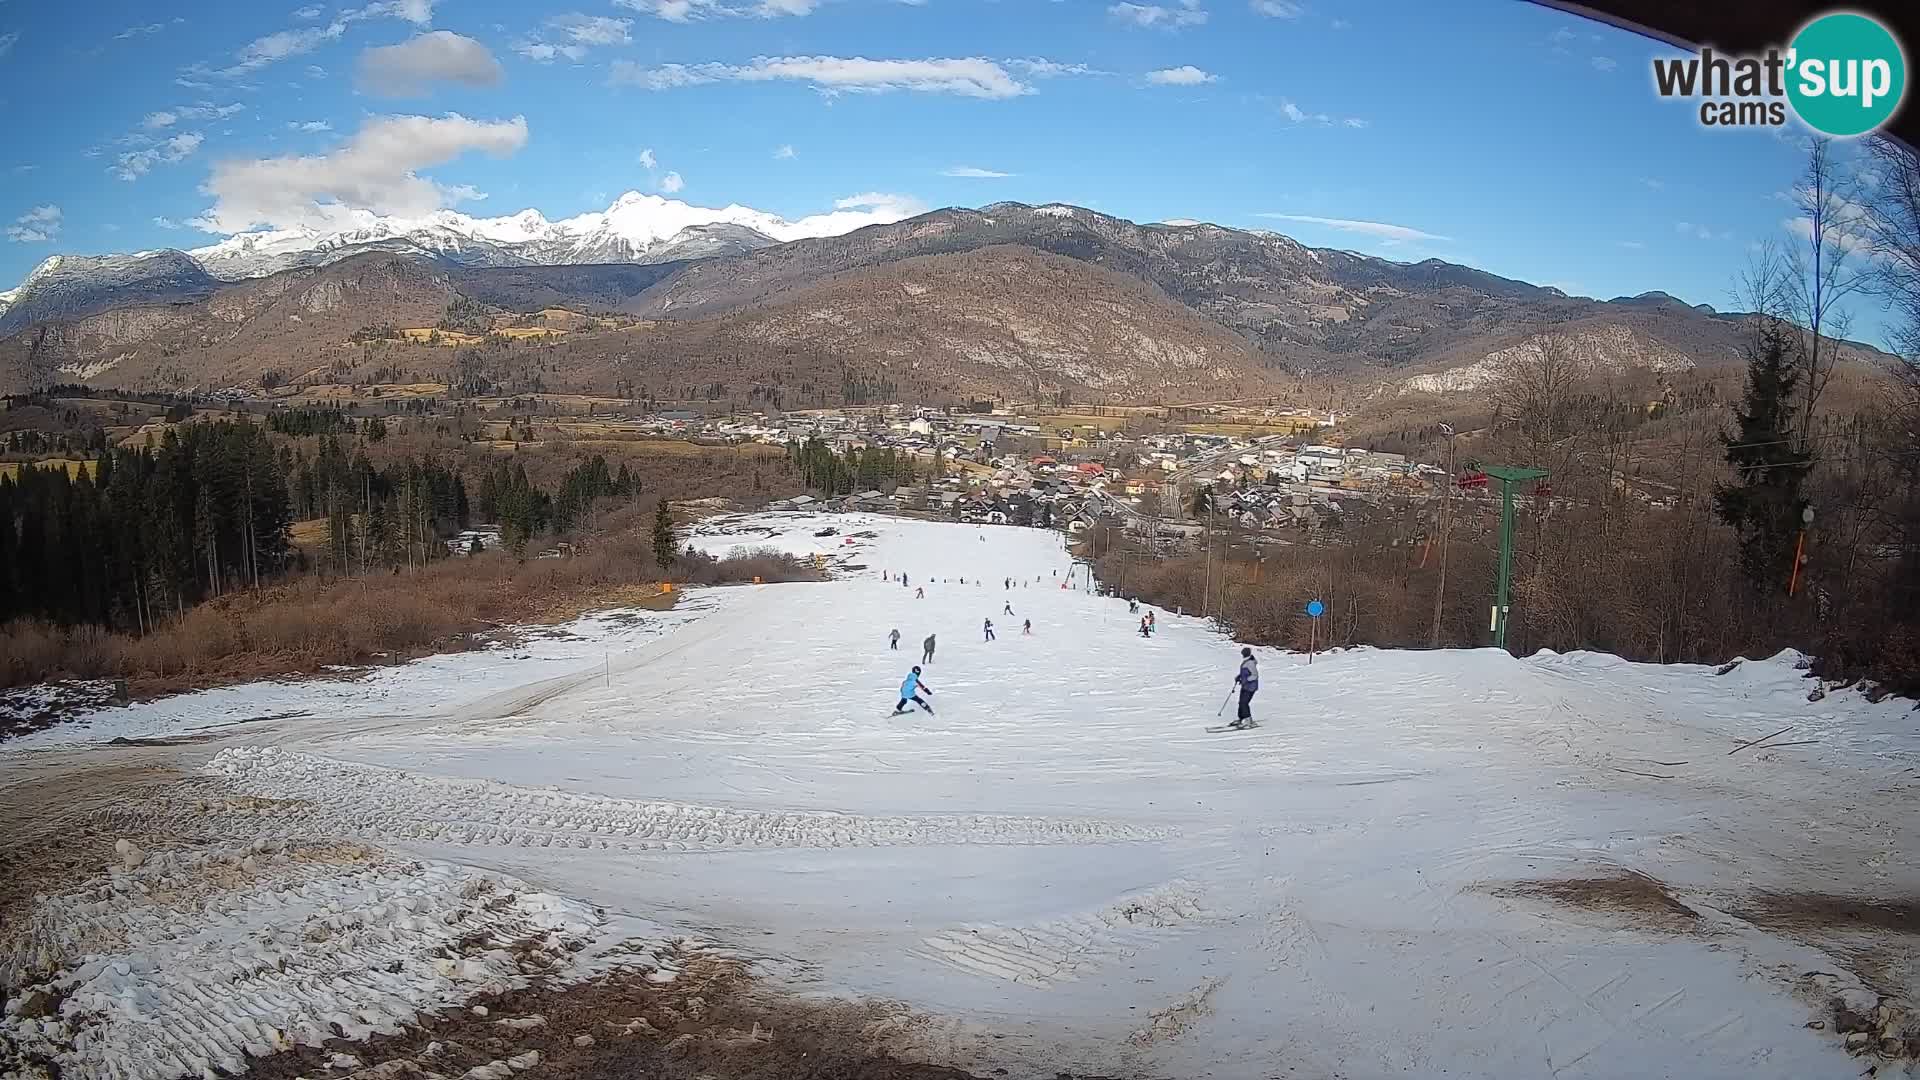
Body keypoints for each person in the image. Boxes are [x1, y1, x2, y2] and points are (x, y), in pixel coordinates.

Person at [1230, 647, 1260, 729]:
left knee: (1244, 703)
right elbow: (1245, 672)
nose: (1242, 654)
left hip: (1250, 687)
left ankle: (1248, 721)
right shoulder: (1246, 660)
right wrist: (1239, 677)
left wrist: (1245, 680)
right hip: (1245, 686)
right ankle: (1241, 718)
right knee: (1241, 702)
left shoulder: (1250, 663)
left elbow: (1255, 675)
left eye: (1243, 653)